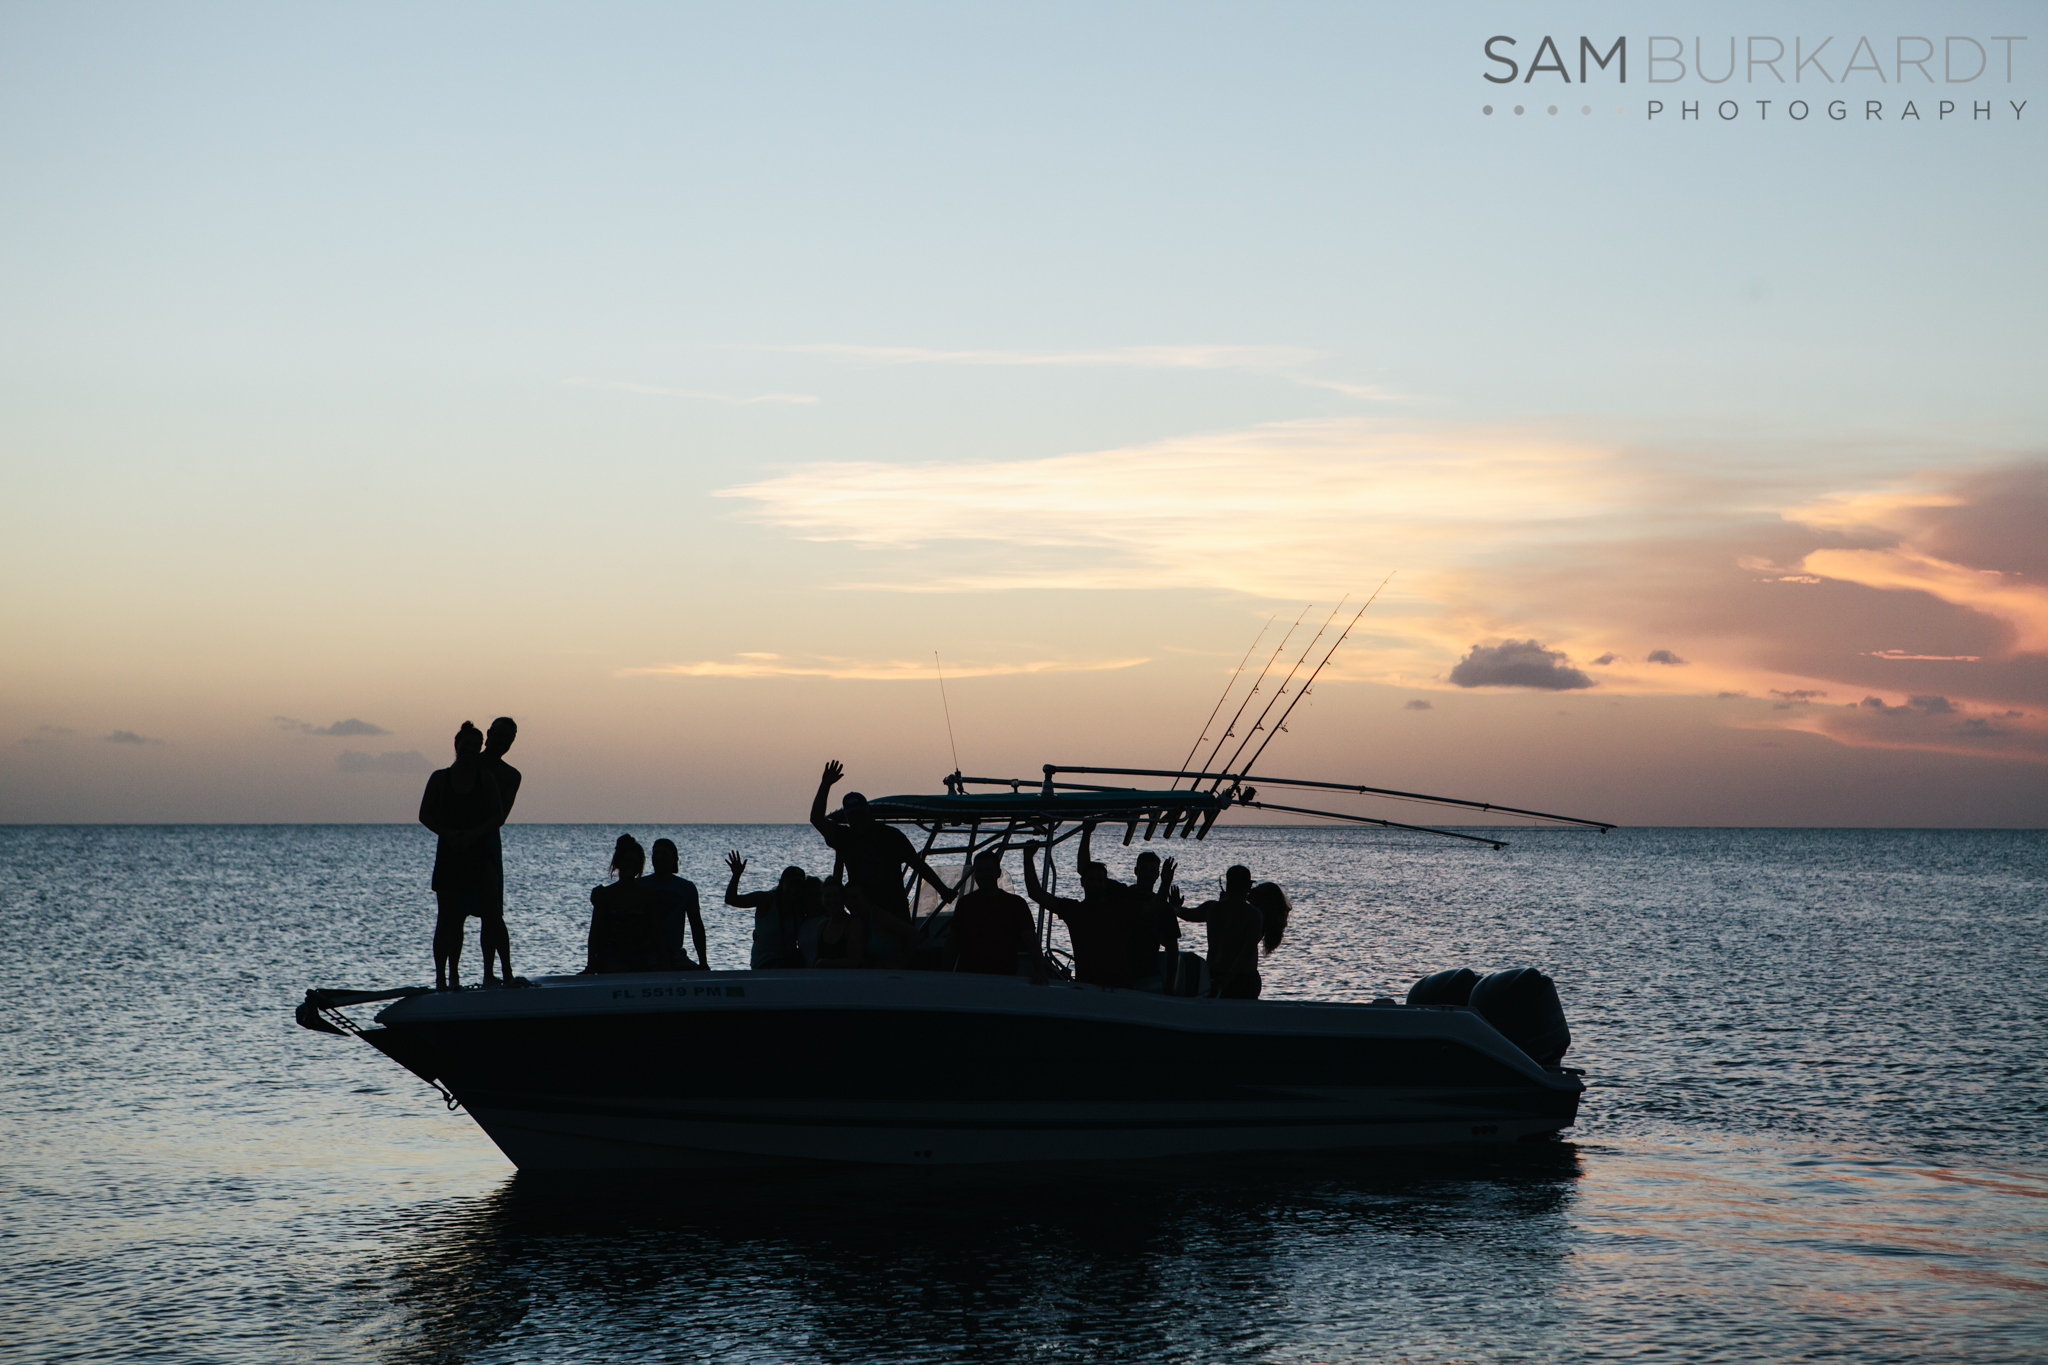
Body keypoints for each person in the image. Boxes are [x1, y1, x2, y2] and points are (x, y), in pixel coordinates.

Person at [809, 760, 956, 966]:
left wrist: (942, 889)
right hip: (861, 911)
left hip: (893, 908)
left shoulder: (890, 836)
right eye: (852, 816)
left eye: (860, 814)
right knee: (865, 960)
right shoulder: (845, 836)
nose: (856, 820)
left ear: (868, 813)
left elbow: (918, 864)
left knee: (897, 957)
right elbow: (816, 819)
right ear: (847, 817)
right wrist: (825, 784)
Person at [418, 722, 503, 991]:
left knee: (491, 914)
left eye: (475, 746)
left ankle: (495, 974)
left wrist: (474, 834)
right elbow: (425, 815)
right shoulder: (439, 778)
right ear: (456, 746)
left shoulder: (486, 778)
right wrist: (449, 834)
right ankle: (446, 978)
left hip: (480, 852)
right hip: (450, 853)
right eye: (465, 745)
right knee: (448, 919)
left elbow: (497, 816)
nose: (469, 750)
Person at [1019, 835, 1136, 988]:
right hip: (1086, 984)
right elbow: (1035, 893)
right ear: (1082, 882)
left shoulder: (1120, 909)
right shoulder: (1074, 910)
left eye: (1099, 880)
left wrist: (1165, 883)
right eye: (1091, 880)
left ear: (1105, 884)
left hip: (1120, 985)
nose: (1095, 884)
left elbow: (1154, 906)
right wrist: (1028, 860)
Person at [1178, 866, 1291, 999]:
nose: (1253, 890)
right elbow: (1245, 949)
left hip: (1225, 975)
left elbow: (1189, 914)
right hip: (1238, 977)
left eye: (1257, 890)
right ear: (1248, 886)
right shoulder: (1253, 914)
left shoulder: (1216, 908)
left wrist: (1228, 977)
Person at [478, 716, 522, 984]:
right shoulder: (468, 765)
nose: (504, 741)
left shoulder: (510, 774)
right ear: (488, 734)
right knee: (454, 913)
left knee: (492, 913)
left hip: (488, 842)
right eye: (500, 735)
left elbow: (501, 815)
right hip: (460, 842)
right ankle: (452, 977)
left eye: (510, 738)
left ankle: (501, 973)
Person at [949, 849, 1038, 976]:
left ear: (998, 873)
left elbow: (1031, 941)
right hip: (969, 976)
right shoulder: (965, 904)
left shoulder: (1016, 904)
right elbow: (953, 943)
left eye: (988, 870)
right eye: (979, 871)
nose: (983, 875)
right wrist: (945, 973)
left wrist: (1040, 971)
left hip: (1004, 976)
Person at [586, 835, 661, 973]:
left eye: (635, 862)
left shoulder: (648, 896)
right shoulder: (605, 895)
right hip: (612, 957)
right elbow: (595, 934)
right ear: (618, 863)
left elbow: (657, 934)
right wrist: (591, 964)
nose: (631, 866)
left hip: (642, 956)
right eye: (627, 861)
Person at [724, 853, 807, 969]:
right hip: (764, 963)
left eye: (798, 885)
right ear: (781, 884)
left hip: (788, 965)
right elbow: (731, 899)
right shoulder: (766, 899)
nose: (794, 889)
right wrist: (736, 875)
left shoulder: (800, 908)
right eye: (791, 884)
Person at [648, 838, 708, 970]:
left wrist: (703, 961)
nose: (659, 857)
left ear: (674, 859)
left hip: (675, 954)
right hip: (646, 954)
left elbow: (696, 925)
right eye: (656, 853)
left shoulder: (686, 888)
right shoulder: (641, 885)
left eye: (664, 854)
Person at [809, 877, 868, 969]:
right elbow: (817, 958)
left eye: (836, 895)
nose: (832, 900)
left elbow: (854, 962)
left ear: (843, 898)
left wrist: (824, 963)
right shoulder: (822, 926)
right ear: (822, 899)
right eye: (828, 896)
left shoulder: (854, 924)